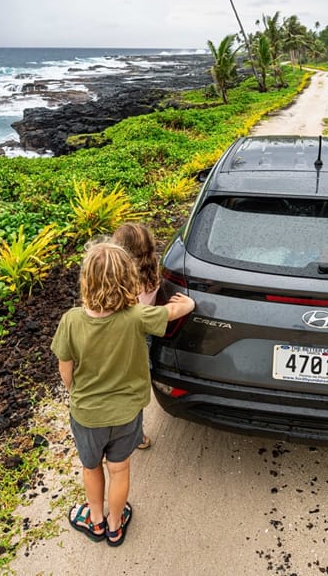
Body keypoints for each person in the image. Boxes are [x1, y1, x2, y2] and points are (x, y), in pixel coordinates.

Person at [51, 242, 194, 547]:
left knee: (91, 468)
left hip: (87, 415)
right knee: (120, 469)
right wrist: (188, 305)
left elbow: (66, 369)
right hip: (127, 414)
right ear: (128, 280)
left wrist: (75, 391)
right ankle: (116, 525)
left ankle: (96, 520)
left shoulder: (72, 321)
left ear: (86, 280)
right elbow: (170, 311)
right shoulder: (136, 317)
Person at [111, 222, 161, 450]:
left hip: (116, 336)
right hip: (143, 338)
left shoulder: (118, 279)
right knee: (134, 391)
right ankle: (136, 435)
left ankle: (111, 432)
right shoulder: (153, 272)